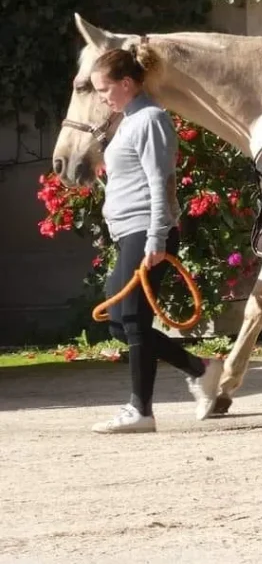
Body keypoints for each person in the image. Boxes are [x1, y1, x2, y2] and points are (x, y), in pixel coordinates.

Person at [88, 47, 222, 433]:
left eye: (104, 89)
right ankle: (199, 368)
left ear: (127, 84)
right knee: (121, 322)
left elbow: (159, 182)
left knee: (130, 320)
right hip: (129, 232)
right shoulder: (127, 120)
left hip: (146, 232)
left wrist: (156, 237)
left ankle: (140, 410)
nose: (101, 97)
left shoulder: (150, 119)